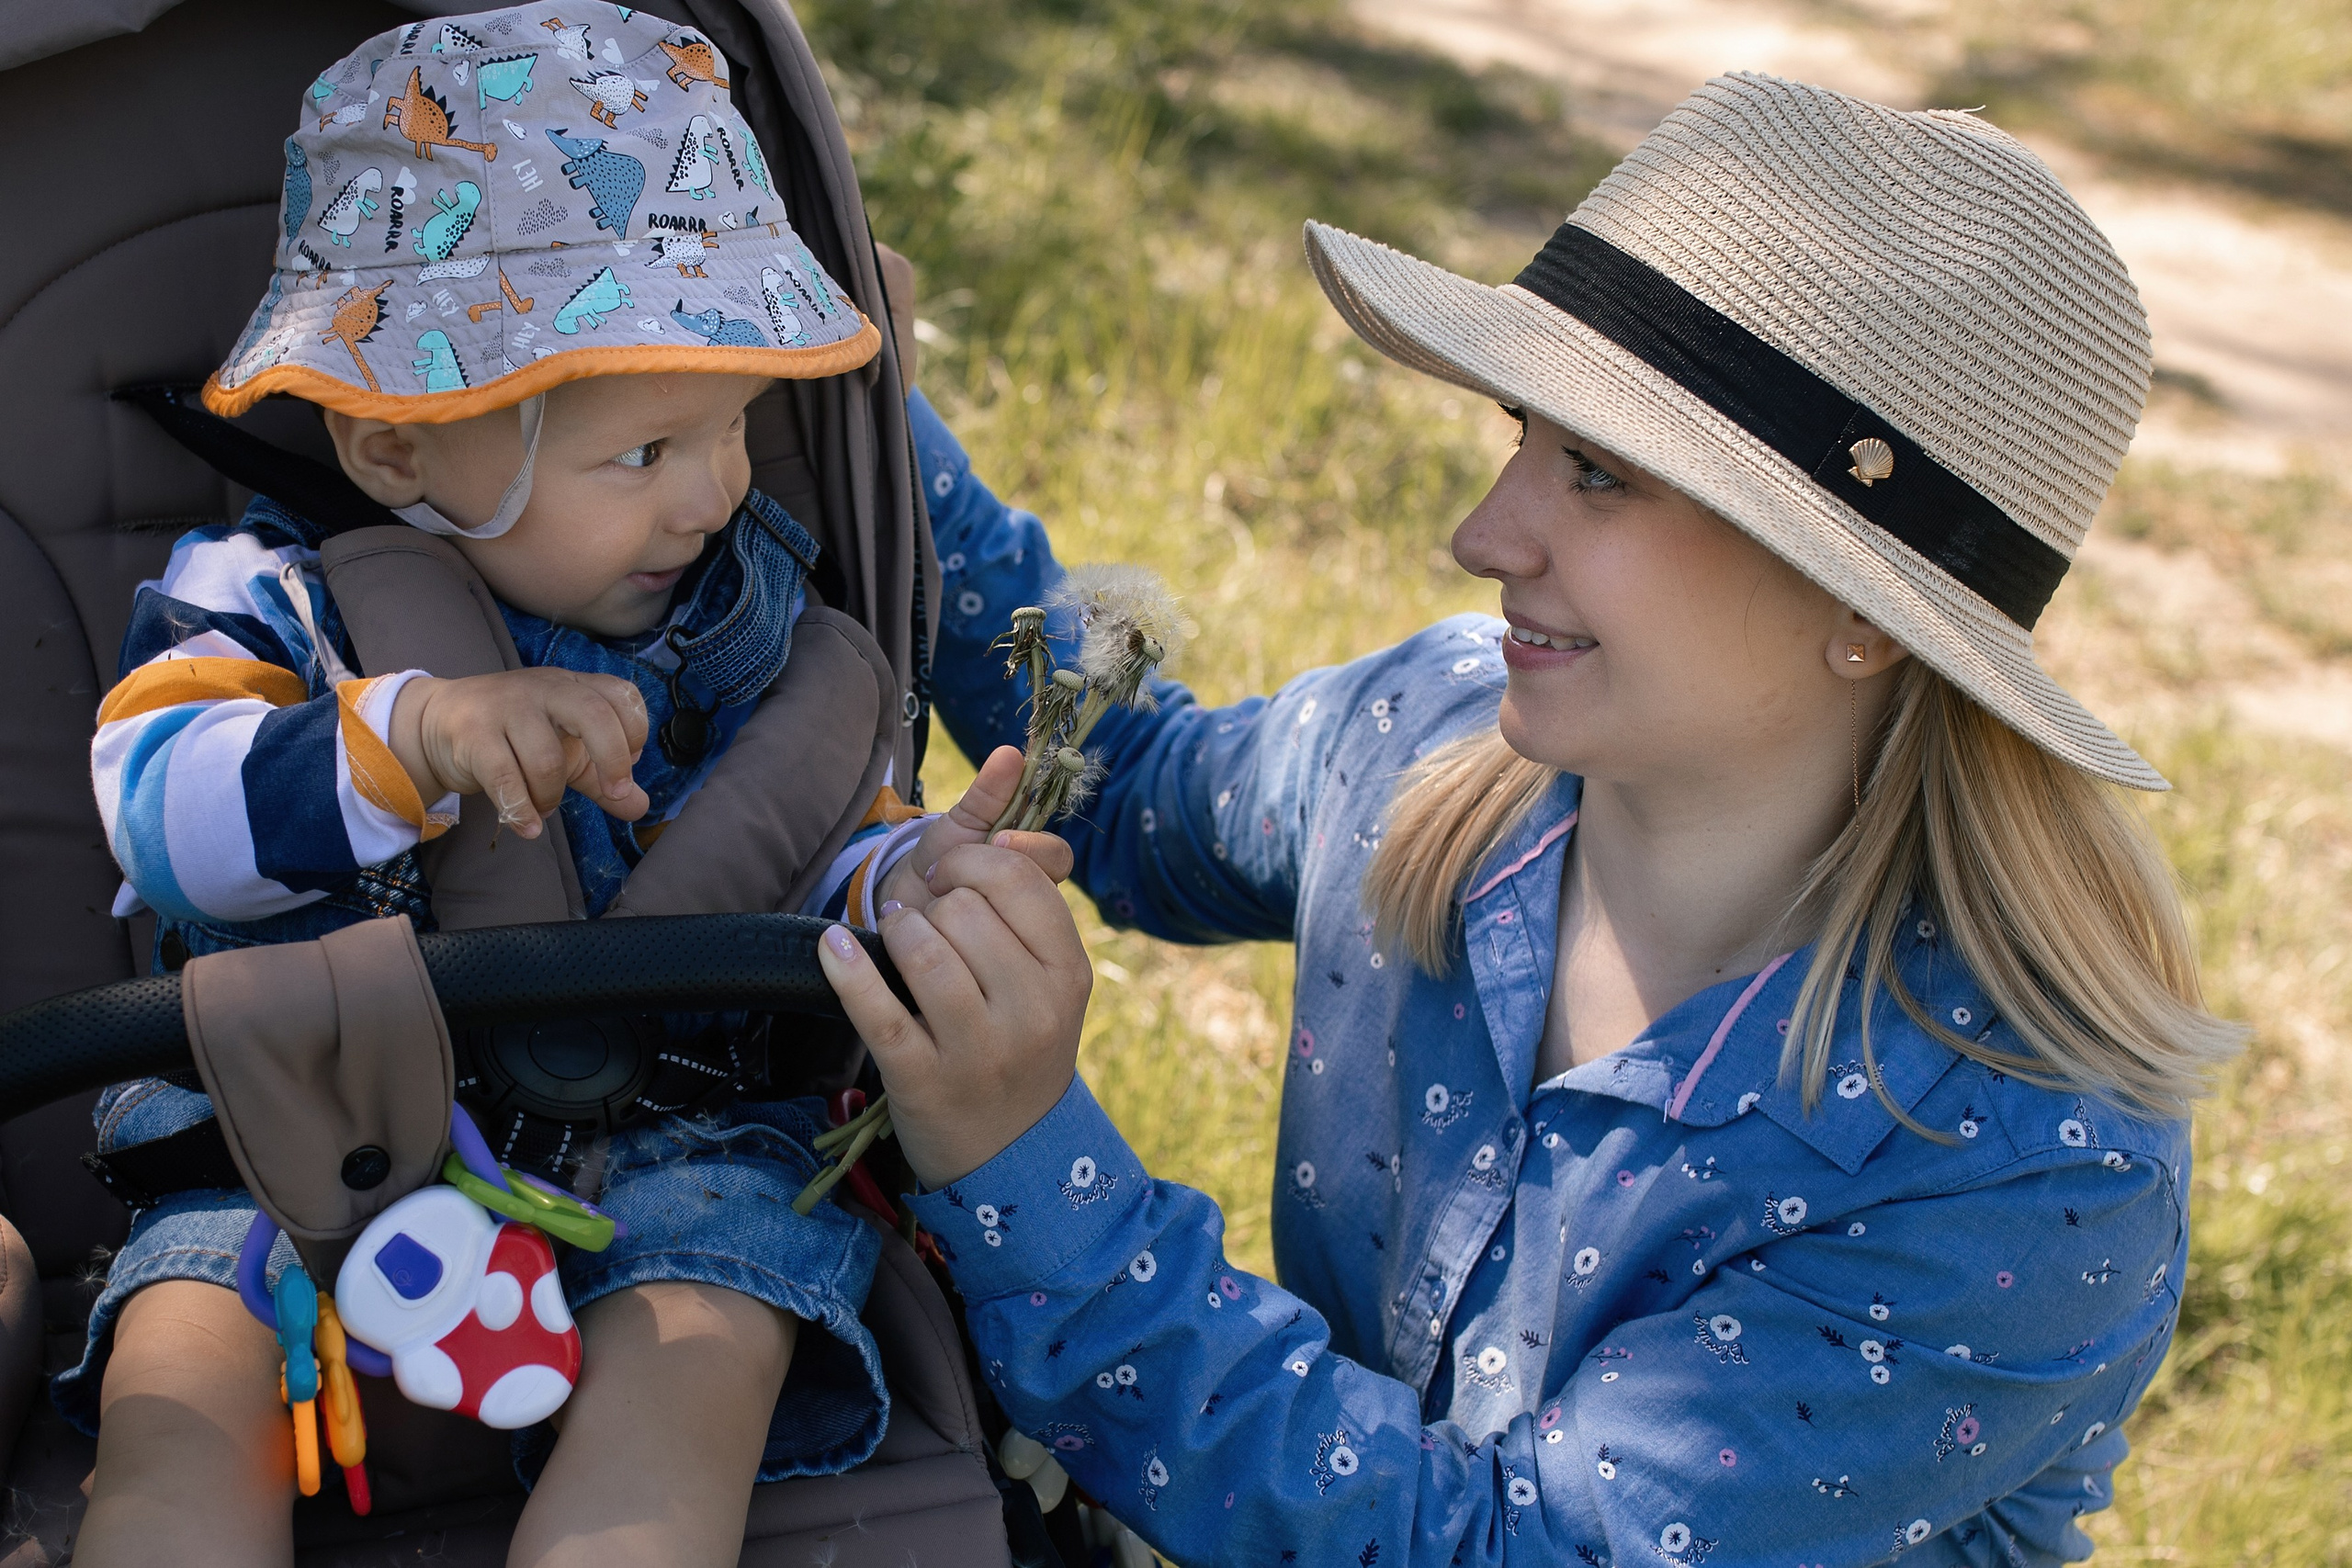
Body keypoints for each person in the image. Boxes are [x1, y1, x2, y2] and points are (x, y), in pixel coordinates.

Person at [818, 73, 2245, 1567]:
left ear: (1864, 606)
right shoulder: (1434, 756)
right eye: (1523, 434)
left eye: (1600, 474)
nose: (1483, 534)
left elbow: (1505, 1549)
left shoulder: (2013, 1159)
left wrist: (1026, 1161)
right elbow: (1129, 797)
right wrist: (861, 417)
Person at [62, 8, 1054, 1564]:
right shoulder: (263, 601)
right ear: (399, 452)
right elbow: (160, 820)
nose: (718, 491)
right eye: (649, 450)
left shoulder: (744, 636)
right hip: (295, 1125)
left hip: (667, 1144)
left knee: (710, 1336)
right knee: (184, 1382)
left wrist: (905, 884)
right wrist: (415, 742)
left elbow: (813, 855)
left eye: (734, 429)